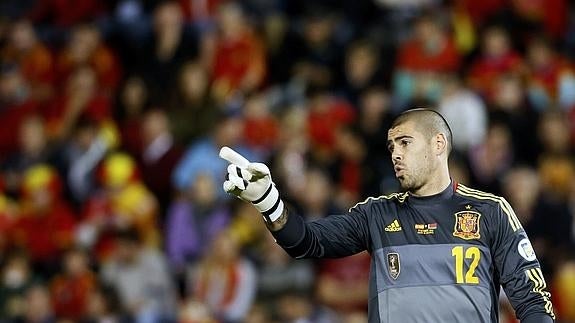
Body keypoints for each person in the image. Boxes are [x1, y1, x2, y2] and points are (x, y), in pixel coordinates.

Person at [220, 108, 555, 323]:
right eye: (392, 146)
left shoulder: (490, 211)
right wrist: (267, 201)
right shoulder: (377, 214)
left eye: (405, 143)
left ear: (438, 144)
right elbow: (305, 242)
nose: (395, 153)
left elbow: (532, 300)